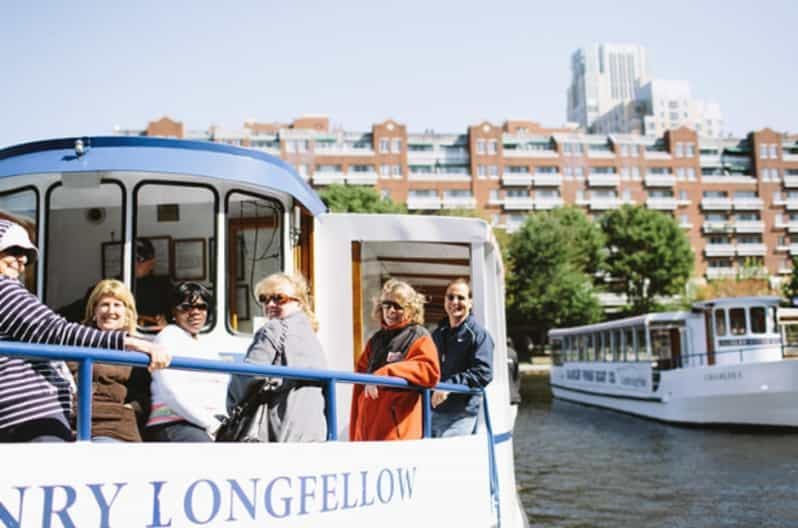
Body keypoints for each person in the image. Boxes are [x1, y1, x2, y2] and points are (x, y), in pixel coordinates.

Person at [0, 219, 169, 443]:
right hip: (30, 416)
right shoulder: (5, 288)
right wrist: (131, 342)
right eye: (14, 250)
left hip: (106, 428)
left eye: (27, 255)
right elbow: (53, 330)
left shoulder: (161, 289)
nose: (22, 260)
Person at [227, 273, 327, 442]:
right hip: (313, 430)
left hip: (280, 429)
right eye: (264, 299)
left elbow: (249, 376)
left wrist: (231, 405)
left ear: (299, 302)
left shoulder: (274, 328)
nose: (270, 304)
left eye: (279, 298)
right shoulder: (312, 336)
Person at [350, 279, 440, 441]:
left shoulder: (419, 336)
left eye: (398, 306)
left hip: (396, 436)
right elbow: (359, 387)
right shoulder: (375, 340)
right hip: (366, 434)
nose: (391, 310)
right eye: (387, 304)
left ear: (411, 309)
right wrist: (354, 434)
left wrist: (386, 373)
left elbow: (429, 370)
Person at [69, 279, 154, 442]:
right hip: (74, 422)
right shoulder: (76, 341)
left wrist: (128, 409)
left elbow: (145, 395)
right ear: (94, 310)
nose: (110, 311)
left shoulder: (139, 348)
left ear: (127, 313)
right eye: (104, 304)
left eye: (117, 305)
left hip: (114, 426)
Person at [146, 282, 228, 442]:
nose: (195, 312)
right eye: (186, 308)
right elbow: (171, 391)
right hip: (175, 422)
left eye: (201, 307)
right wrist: (211, 425)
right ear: (172, 312)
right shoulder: (169, 336)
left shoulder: (206, 345)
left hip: (206, 425)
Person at [430, 278, 494, 437]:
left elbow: (484, 373)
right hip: (434, 411)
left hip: (462, 415)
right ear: (444, 301)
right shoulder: (438, 334)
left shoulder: (479, 335)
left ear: (470, 302)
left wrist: (448, 385)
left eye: (461, 297)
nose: (454, 302)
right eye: (450, 297)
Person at [134, 238, 171, 330]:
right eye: (132, 259)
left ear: (152, 262)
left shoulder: (164, 287)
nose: (135, 263)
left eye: (140, 259)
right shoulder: (115, 284)